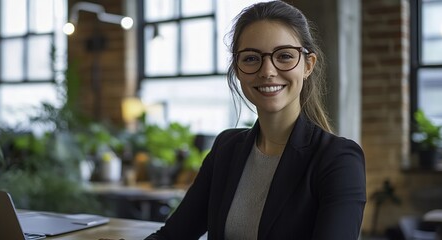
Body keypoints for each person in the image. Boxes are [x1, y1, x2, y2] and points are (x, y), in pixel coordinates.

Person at [145, 1, 366, 240]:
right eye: (251, 58)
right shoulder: (226, 148)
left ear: (307, 65)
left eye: (284, 56)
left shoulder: (339, 159)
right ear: (237, 69)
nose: (267, 70)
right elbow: (172, 236)